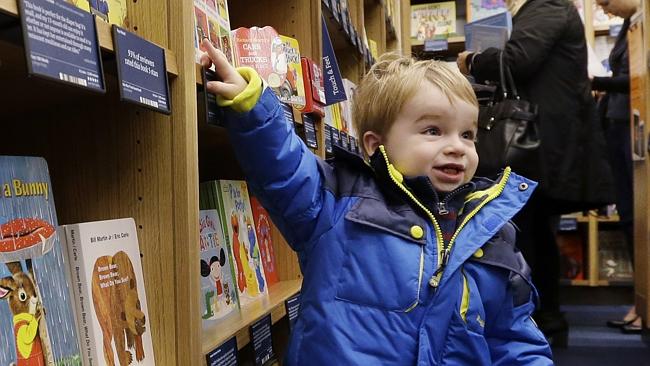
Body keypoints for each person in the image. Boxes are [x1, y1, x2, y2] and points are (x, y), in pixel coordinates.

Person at [199, 38, 553, 364]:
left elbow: (513, 334)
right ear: (374, 144)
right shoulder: (337, 205)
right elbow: (285, 168)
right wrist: (252, 104)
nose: (457, 146)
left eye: (468, 134)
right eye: (433, 131)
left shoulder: (492, 232)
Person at [457, 0, 615, 346]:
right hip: (545, 139)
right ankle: (542, 321)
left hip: (540, 141)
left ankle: (537, 323)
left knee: (528, 230)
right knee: (534, 230)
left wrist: (471, 61)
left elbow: (518, 61)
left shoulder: (546, 4)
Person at [591, 0, 641, 334]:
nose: (602, 7)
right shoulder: (629, 25)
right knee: (628, 216)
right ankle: (642, 302)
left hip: (632, 130)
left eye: (606, 1)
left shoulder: (641, 25)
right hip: (618, 126)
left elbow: (639, 79)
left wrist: (597, 81)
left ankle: (643, 305)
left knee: (638, 218)